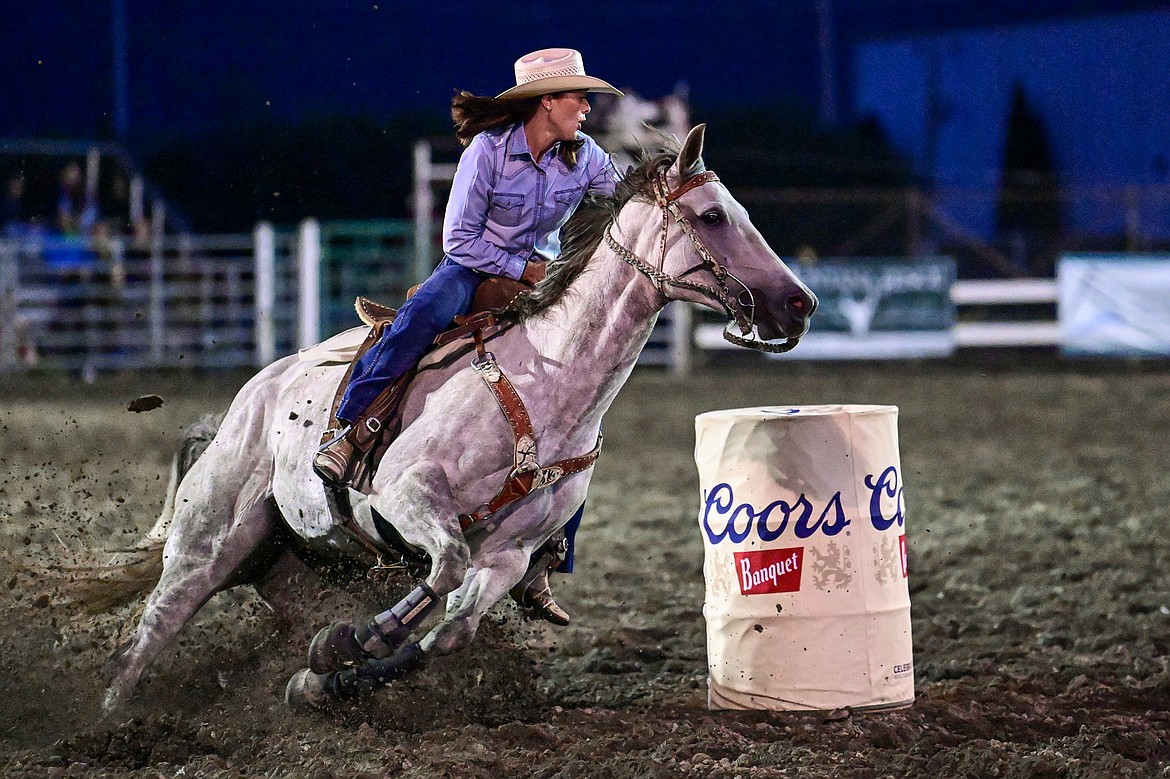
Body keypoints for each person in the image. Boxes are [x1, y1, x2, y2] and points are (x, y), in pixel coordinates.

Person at [313, 48, 623, 624]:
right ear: (546, 102)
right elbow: (459, 241)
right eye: (578, 95)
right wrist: (524, 269)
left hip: (541, 279)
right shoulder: (488, 151)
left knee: (576, 397)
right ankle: (350, 430)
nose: (587, 104)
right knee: (424, 313)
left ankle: (545, 555)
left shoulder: (585, 156)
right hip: (477, 269)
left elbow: (623, 197)